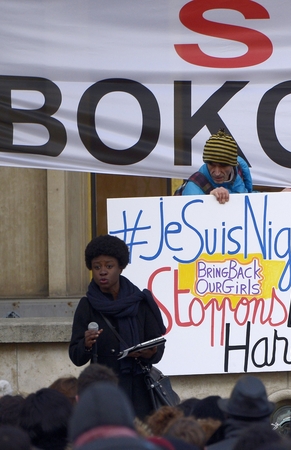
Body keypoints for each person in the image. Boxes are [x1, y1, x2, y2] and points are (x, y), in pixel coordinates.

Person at [68, 234, 167, 419]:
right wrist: (86, 344)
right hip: (103, 394)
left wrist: (150, 352)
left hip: (139, 394)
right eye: (97, 267)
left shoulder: (141, 303)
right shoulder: (87, 306)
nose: (102, 272)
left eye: (109, 266)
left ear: (121, 267)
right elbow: (76, 356)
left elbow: (158, 349)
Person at [178, 129, 254, 204]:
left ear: (233, 164)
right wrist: (209, 200)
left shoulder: (241, 170)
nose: (217, 173)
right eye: (211, 164)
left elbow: (248, 195)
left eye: (223, 165)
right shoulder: (193, 188)